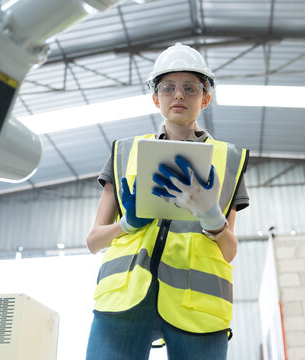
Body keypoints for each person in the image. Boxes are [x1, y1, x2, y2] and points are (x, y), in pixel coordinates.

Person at [85, 43, 249, 360]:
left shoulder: (228, 159)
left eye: (190, 88)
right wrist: (126, 224)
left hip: (198, 306)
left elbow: (228, 252)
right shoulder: (124, 152)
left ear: (205, 98)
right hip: (124, 299)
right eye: (168, 87)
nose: (178, 96)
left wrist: (213, 218)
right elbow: (93, 242)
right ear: (155, 97)